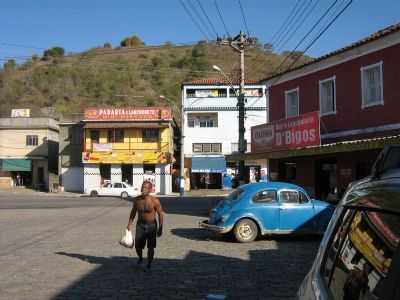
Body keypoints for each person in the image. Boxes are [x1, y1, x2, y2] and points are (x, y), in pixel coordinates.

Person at [127, 181, 164, 269]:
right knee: (137, 246)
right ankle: (140, 258)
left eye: (146, 187)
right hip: (140, 225)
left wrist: (160, 227)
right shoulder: (137, 200)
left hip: (152, 226)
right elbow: (133, 212)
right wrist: (129, 224)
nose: (143, 189)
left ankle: (149, 264)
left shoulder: (155, 200)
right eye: (143, 187)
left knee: (151, 247)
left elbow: (160, 214)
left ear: (150, 190)